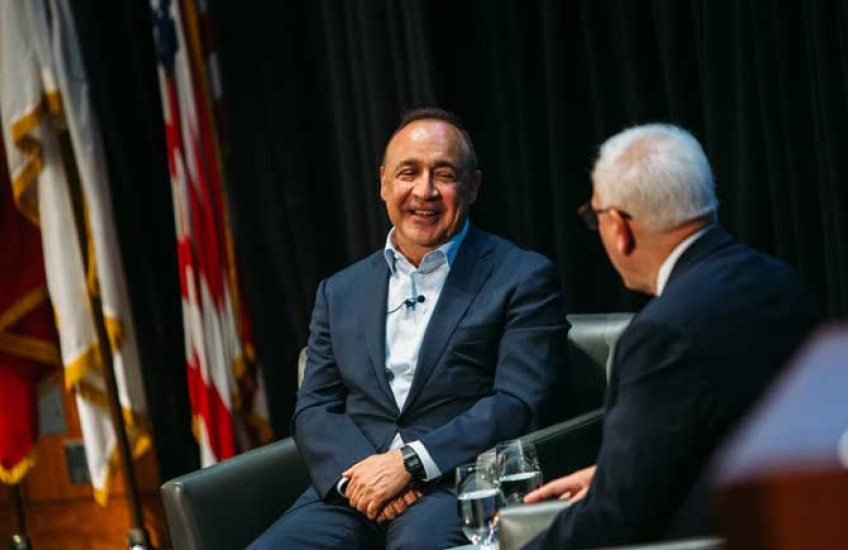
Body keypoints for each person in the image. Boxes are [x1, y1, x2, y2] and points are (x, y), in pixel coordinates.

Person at [247, 108, 568, 550]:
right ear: (384, 183)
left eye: (444, 174)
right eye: (408, 173)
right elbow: (314, 408)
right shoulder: (339, 291)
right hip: (353, 487)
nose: (424, 191)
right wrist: (367, 477)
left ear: (473, 186)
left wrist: (410, 464)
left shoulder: (523, 276)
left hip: (458, 484)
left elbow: (518, 402)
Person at [521, 124, 820, 549]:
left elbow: (614, 519)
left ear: (619, 227)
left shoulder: (660, 335)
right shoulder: (780, 281)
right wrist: (615, 474)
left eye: (594, 216)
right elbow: (734, 432)